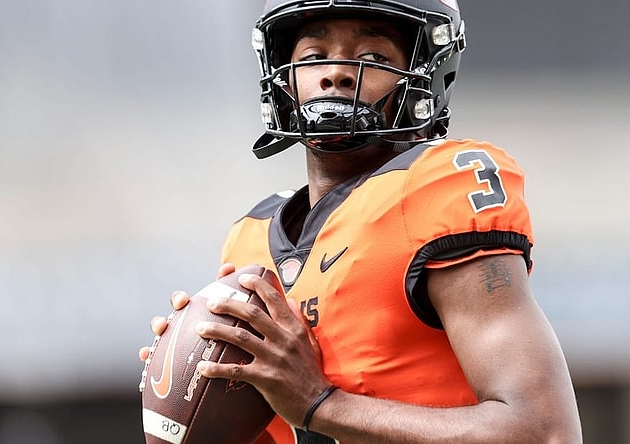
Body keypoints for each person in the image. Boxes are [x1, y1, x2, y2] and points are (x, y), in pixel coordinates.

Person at [140, 0, 582, 442]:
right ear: (283, 77)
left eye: (373, 57)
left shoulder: (435, 187)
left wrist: (321, 402)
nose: (337, 72)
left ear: (426, 73)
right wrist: (193, 391)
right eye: (314, 57)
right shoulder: (249, 240)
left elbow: (543, 432)